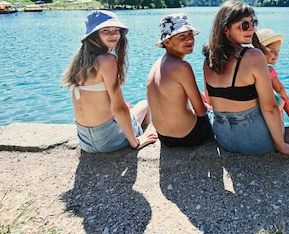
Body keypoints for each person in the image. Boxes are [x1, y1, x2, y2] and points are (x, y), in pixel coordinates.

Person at [202, 0, 289, 157]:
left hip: (224, 138)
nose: (252, 29)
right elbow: (269, 107)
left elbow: (209, 100)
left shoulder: (208, 60)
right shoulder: (254, 56)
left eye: (253, 23)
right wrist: (281, 145)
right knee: (276, 98)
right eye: (244, 25)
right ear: (226, 29)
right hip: (256, 140)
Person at [62, 10, 157, 153]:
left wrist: (118, 109)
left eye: (116, 30)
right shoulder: (107, 60)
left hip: (85, 141)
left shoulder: (80, 60)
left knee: (128, 110)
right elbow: (119, 108)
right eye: (106, 30)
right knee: (145, 104)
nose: (113, 34)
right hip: (107, 140)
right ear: (94, 35)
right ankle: (138, 136)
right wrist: (136, 143)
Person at [146, 13, 212, 147]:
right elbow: (201, 111)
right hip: (188, 135)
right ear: (167, 42)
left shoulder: (158, 64)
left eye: (191, 35)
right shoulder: (182, 67)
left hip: (164, 137)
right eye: (182, 36)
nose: (189, 40)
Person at [255, 28, 289, 130]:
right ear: (259, 50)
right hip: (268, 119)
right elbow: (281, 90)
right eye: (272, 51)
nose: (277, 55)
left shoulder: (247, 67)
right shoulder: (268, 71)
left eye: (278, 51)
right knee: (281, 98)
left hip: (253, 116)